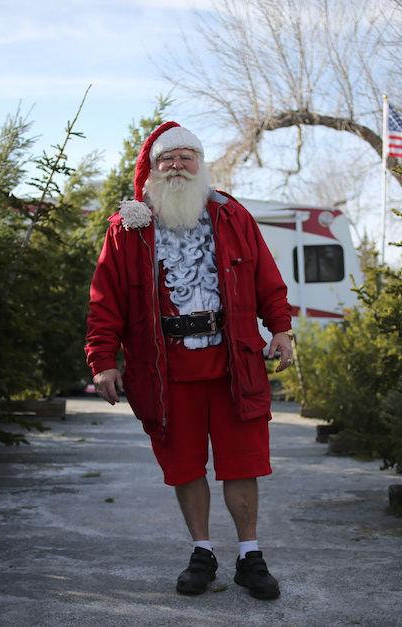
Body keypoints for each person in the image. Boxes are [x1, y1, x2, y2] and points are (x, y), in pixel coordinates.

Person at [85, 121, 293, 600]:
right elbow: (105, 301)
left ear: (200, 164)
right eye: (167, 159)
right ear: (153, 169)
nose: (177, 166)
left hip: (232, 362)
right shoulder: (128, 228)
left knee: (243, 462)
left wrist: (280, 328)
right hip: (165, 369)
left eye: (186, 157)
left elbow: (266, 276)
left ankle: (250, 554)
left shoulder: (232, 216)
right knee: (184, 465)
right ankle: (202, 551)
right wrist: (103, 360)